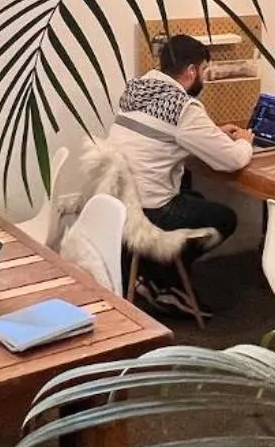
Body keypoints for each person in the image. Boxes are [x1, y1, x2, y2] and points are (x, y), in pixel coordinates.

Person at [105, 33, 253, 313]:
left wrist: (212, 134)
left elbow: (160, 136)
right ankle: (168, 285)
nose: (205, 80)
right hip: (153, 211)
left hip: (121, 203)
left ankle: (150, 278)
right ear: (191, 71)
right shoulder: (183, 106)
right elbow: (232, 160)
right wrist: (246, 141)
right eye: (205, 71)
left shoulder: (137, 89)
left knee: (191, 191)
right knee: (224, 217)